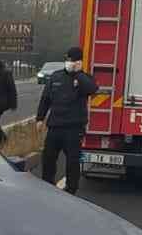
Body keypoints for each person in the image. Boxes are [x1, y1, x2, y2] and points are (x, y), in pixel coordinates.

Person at [36, 45, 98, 195]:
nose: (70, 62)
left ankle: (71, 190)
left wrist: (78, 74)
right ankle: (47, 186)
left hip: (73, 128)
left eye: (74, 60)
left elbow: (92, 89)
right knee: (48, 158)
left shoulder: (85, 78)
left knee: (72, 161)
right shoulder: (56, 77)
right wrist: (40, 118)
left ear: (80, 62)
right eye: (69, 59)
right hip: (55, 126)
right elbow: (45, 99)